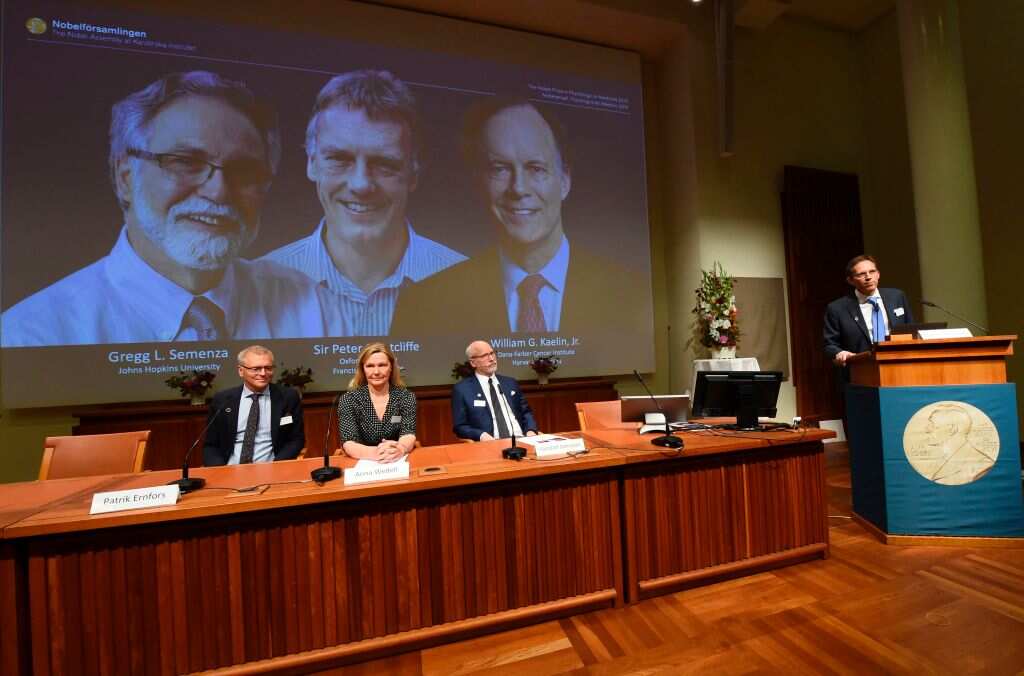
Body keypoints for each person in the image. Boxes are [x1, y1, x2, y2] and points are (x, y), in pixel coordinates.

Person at [1, 71, 348, 347]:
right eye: (185, 162)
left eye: (244, 171)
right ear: (125, 177)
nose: (218, 191)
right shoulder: (33, 334)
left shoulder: (313, 308)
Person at [390, 97, 644, 336]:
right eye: (500, 169)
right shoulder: (427, 304)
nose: (519, 188)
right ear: (479, 183)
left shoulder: (631, 295)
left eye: (536, 168)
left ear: (565, 180)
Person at [263, 70, 466, 336]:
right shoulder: (258, 288)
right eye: (339, 159)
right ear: (311, 163)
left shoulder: (469, 284)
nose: (361, 185)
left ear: (413, 174)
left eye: (384, 164)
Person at [202, 345, 304, 465]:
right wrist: (220, 470)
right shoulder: (223, 400)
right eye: (256, 369)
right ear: (241, 371)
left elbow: (296, 440)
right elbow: (211, 445)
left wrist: (276, 466)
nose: (263, 373)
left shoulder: (288, 397)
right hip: (230, 468)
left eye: (268, 368)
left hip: (271, 468)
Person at [824, 254, 913, 371]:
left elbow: (911, 330)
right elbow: (829, 345)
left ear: (878, 274)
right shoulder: (837, 308)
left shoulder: (897, 297)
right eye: (861, 274)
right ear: (850, 280)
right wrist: (840, 352)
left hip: (900, 366)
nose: (868, 277)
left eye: (872, 271)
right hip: (861, 370)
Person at [337, 342, 417, 462]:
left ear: (391, 367)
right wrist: (378, 453)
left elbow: (408, 432)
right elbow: (349, 442)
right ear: (363, 369)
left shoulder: (405, 397)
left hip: (397, 459)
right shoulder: (349, 399)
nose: (376, 372)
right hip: (363, 461)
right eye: (370, 366)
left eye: (382, 365)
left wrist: (400, 449)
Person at [452, 340, 539, 441]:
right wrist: (481, 435)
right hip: (490, 443)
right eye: (484, 355)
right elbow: (460, 426)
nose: (491, 359)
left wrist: (530, 430)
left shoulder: (510, 383)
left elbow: (526, 413)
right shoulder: (463, 390)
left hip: (521, 439)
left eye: (492, 353)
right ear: (473, 363)